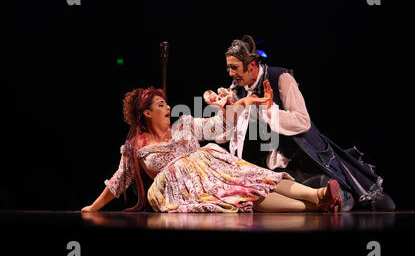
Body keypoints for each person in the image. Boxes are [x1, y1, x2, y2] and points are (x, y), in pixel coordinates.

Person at [81, 86, 342, 213]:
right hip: (191, 188)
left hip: (216, 169)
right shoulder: (136, 148)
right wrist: (93, 207)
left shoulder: (184, 125)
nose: (169, 108)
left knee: (261, 178)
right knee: (246, 196)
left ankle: (318, 194)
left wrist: (227, 107)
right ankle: (315, 205)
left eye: (167, 103)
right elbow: (120, 180)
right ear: (147, 112)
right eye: (161, 105)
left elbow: (219, 128)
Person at [222, 35, 395, 211]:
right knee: (270, 188)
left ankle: (341, 194)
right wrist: (224, 106)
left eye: (234, 67)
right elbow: (234, 129)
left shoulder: (279, 78)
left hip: (305, 154)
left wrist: (266, 111)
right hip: (275, 162)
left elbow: (302, 121)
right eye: (228, 67)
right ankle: (329, 198)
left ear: (251, 65)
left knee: (383, 204)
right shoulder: (239, 88)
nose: (230, 73)